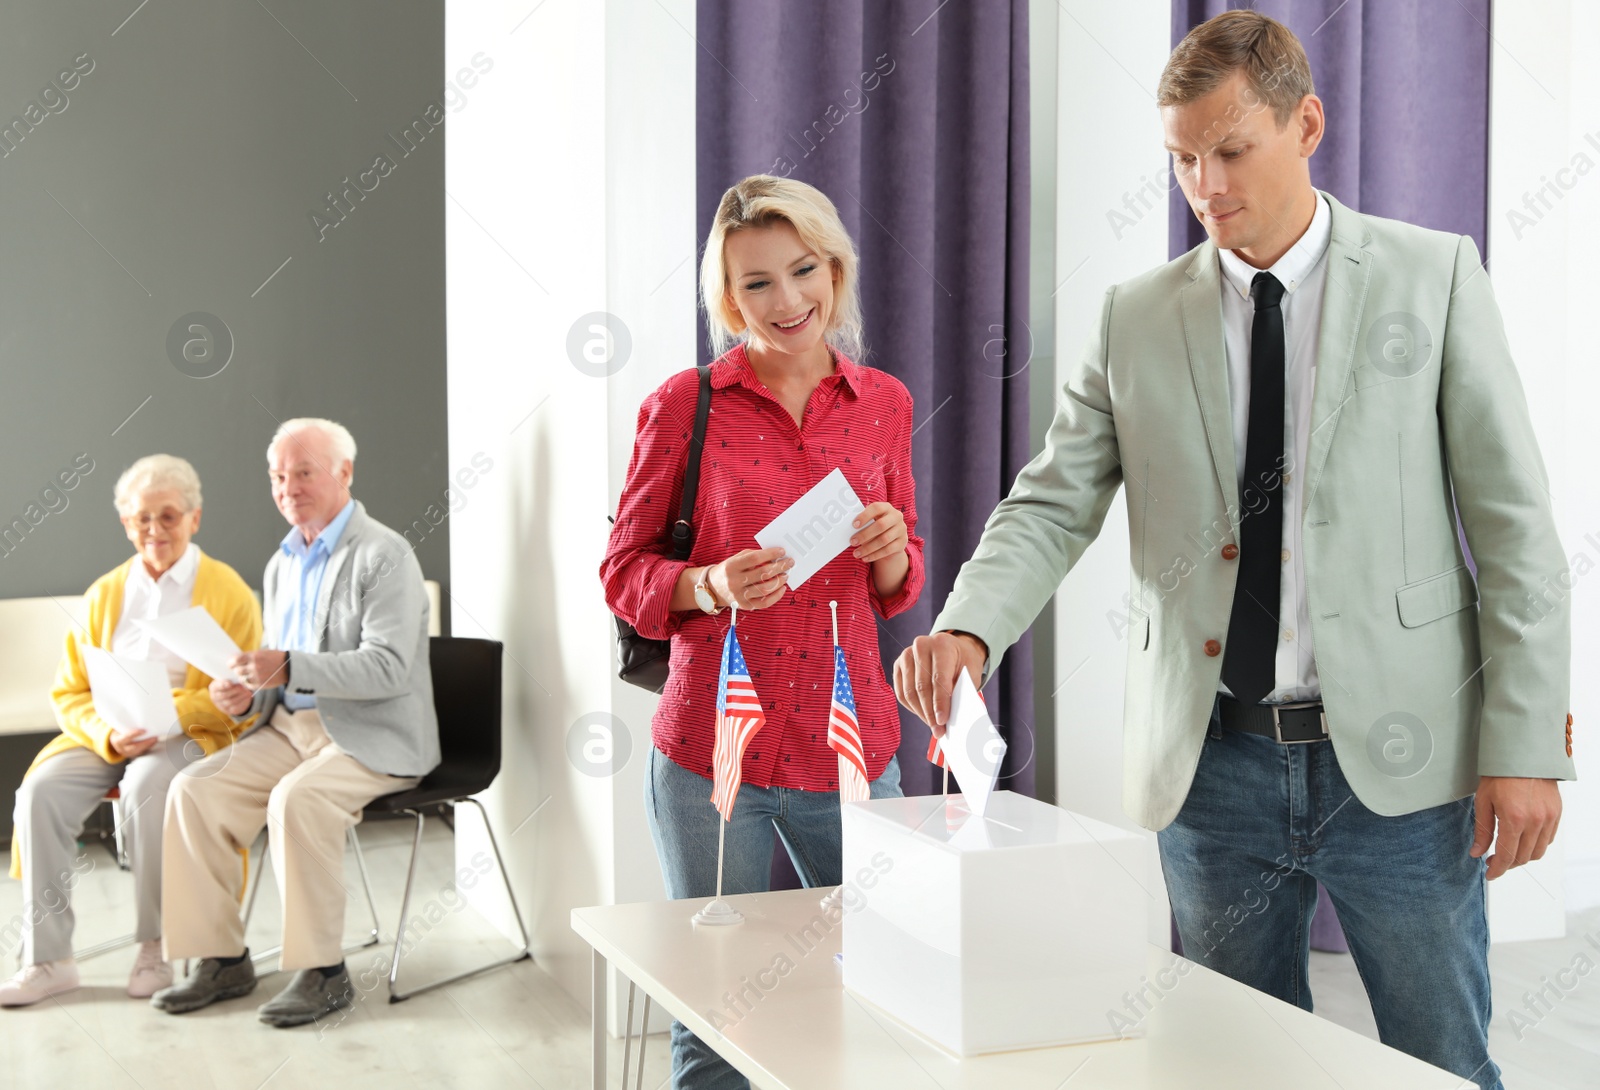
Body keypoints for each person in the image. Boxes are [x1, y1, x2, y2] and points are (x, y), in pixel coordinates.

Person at [894, 13, 1571, 1090]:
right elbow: (1051, 502)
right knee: (1237, 1067)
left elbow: (1514, 528)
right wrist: (970, 621)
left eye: (1229, 150)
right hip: (1210, 768)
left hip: (1403, 760)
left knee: (1442, 1064)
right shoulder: (1134, 318)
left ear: (1305, 125)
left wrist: (1524, 743)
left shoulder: (1431, 277)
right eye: (1181, 159)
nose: (1203, 186)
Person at [602, 174, 924, 1089]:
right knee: (716, 1010)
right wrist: (706, 583)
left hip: (850, 746)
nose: (788, 302)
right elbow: (624, 572)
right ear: (725, 297)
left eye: (804, 270)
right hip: (715, 756)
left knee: (886, 983)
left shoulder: (885, 404)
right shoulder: (685, 405)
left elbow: (894, 591)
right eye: (756, 283)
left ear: (836, 269)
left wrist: (896, 545)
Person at [151, 418, 439, 1028]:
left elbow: (388, 669)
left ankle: (323, 971)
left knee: (296, 800)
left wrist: (284, 666)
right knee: (192, 790)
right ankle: (222, 958)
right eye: (278, 477)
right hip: (290, 730)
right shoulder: (282, 562)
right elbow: (277, 673)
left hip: (370, 735)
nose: (288, 488)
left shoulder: (385, 554)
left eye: (303, 472)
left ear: (344, 473)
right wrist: (245, 695)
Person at [2, 455, 261, 1007]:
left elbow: (241, 698)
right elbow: (69, 693)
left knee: (147, 787)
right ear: (125, 523)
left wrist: (183, 707)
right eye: (142, 519)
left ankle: (156, 946)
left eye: (168, 517)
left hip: (188, 734)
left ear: (194, 518)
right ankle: (48, 960)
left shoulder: (229, 591)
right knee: (39, 793)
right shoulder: (105, 593)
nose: (155, 531)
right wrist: (106, 734)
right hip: (112, 734)